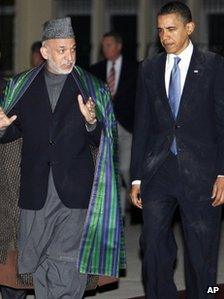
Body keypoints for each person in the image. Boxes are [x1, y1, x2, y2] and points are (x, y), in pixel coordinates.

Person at [0, 17, 125, 299]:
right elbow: (12, 136)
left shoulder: (91, 87)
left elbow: (104, 141)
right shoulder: (23, 87)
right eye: (61, 50)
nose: (69, 56)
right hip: (35, 195)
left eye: (72, 49)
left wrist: (92, 123)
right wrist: (4, 129)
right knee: (41, 266)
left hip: (74, 196)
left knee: (66, 267)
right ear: (45, 52)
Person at [130, 2, 224, 298]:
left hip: (202, 174)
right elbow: (141, 125)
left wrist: (223, 172)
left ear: (190, 28)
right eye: (160, 30)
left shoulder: (214, 66)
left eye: (171, 29)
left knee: (202, 255)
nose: (165, 36)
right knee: (153, 245)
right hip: (159, 171)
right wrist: (136, 178)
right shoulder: (149, 68)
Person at [90, 31, 138, 220]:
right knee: (112, 172)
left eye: (109, 44)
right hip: (105, 128)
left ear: (119, 46)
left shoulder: (134, 68)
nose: (105, 48)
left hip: (127, 126)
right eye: (103, 45)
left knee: (126, 168)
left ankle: (138, 206)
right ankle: (118, 217)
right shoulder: (96, 69)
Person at [0, 50, 27, 299]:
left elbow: (23, 129)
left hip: (5, 186)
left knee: (7, 253)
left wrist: (5, 129)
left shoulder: (12, 91)